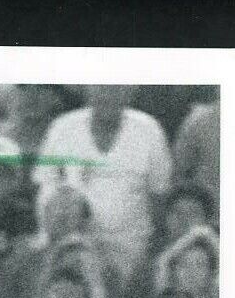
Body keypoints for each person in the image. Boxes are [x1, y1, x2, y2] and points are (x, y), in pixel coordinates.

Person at [33, 85, 172, 284]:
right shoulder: (63, 127)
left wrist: (150, 254)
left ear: (130, 92)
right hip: (68, 245)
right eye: (100, 87)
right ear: (87, 89)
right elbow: (45, 186)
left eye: (116, 88)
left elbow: (159, 196)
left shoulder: (149, 130)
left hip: (130, 249)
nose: (107, 94)